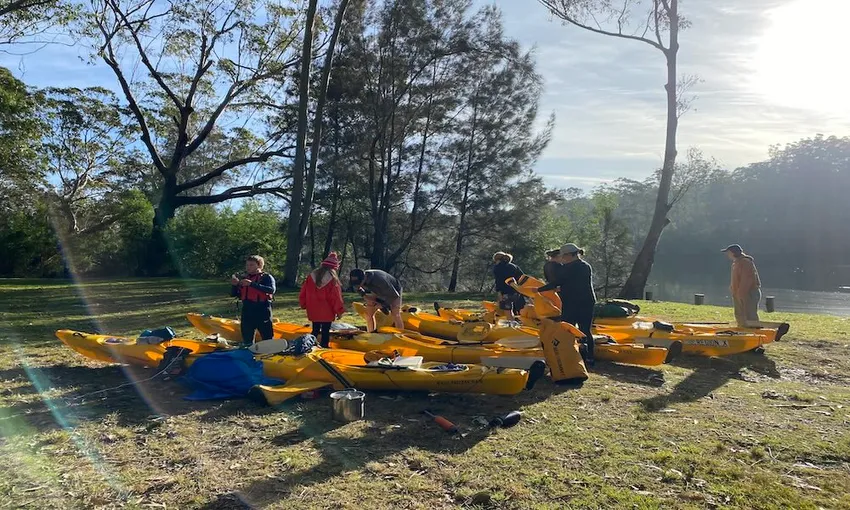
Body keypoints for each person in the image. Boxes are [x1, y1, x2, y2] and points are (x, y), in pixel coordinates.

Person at [537, 243, 597, 365]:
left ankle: (571, 355)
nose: (562, 259)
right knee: (585, 329)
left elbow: (559, 281)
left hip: (573, 301)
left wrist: (538, 289)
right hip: (586, 300)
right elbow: (571, 283)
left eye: (564, 256)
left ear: (570, 255)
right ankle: (589, 357)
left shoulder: (570, 267)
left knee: (567, 328)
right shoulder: (585, 266)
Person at [299, 252, 346, 348]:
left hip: (313, 308)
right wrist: (339, 311)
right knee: (325, 331)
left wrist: (304, 304)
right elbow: (336, 297)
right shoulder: (332, 279)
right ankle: (324, 347)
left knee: (315, 329)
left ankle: (308, 346)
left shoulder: (311, 276)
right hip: (326, 310)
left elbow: (303, 291)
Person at [230, 255, 276, 346]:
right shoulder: (244, 278)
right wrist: (234, 285)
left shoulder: (266, 277)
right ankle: (248, 352)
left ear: (259, 266)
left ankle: (270, 353)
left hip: (262, 309)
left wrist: (252, 284)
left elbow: (271, 290)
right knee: (247, 337)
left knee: (267, 336)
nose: (248, 267)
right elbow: (234, 294)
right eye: (247, 265)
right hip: (247, 309)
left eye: (251, 265)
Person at [723, 244, 762, 327]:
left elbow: (747, 279)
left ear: (733, 252)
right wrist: (733, 289)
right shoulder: (736, 263)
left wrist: (741, 293)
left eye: (728, 252)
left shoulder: (745, 262)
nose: (727, 255)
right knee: (739, 314)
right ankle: (742, 330)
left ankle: (754, 333)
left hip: (749, 293)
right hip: (738, 293)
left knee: (750, 314)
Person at [492, 252, 525, 318]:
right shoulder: (514, 266)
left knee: (507, 311)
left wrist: (499, 293)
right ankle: (515, 322)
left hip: (506, 292)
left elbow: (498, 281)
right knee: (513, 309)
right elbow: (522, 277)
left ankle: (511, 324)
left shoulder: (497, 267)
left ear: (497, 260)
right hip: (516, 291)